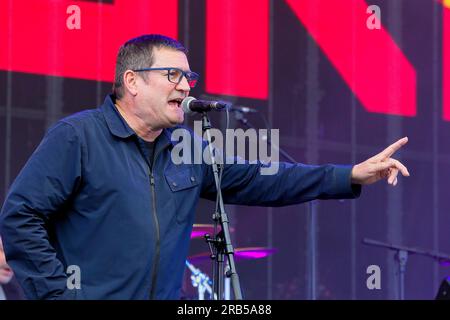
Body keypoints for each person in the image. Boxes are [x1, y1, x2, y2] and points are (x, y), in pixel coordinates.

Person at [0, 34, 409, 300]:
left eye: (188, 76)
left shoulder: (187, 148)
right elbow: (20, 216)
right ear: (132, 81)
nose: (186, 85)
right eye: (173, 74)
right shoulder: (78, 137)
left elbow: (264, 178)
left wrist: (348, 174)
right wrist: (56, 295)